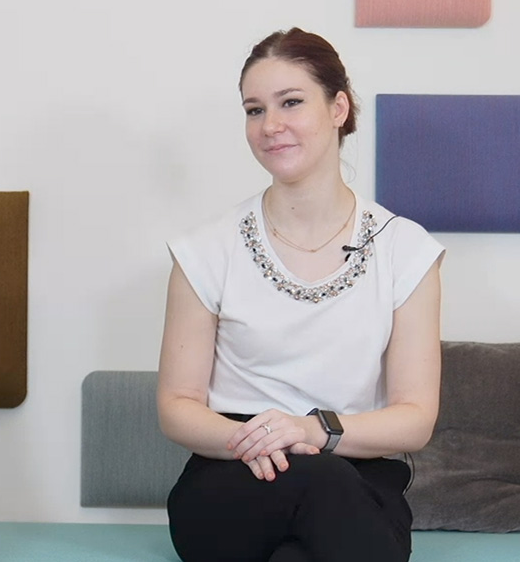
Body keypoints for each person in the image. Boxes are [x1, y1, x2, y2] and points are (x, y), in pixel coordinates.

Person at [157, 28, 444, 562]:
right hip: (233, 471)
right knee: (322, 488)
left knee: (322, 502)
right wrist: (263, 441)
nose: (270, 126)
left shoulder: (406, 250)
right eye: (254, 109)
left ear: (339, 108)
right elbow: (177, 407)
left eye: (291, 102)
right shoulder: (205, 249)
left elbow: (415, 418)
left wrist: (311, 431)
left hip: (354, 471)